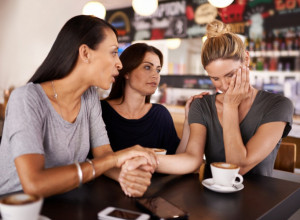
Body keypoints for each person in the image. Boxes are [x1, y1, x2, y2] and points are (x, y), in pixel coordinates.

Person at [0, 15, 157, 197]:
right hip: (14, 207)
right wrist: (115, 159)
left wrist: (127, 176)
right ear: (85, 53)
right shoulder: (26, 99)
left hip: (61, 202)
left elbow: (103, 155)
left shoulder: (89, 97)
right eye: (114, 52)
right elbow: (35, 184)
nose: (119, 63)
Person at [123, 19, 294, 178]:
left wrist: (230, 107)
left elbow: (238, 167)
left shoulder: (278, 105)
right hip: (209, 200)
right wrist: (143, 160)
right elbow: (191, 158)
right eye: (215, 78)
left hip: (260, 203)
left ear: (246, 59)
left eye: (230, 75)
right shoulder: (202, 105)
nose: (224, 86)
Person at [101, 43, 208, 197]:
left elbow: (179, 157)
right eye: (147, 67)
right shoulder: (101, 111)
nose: (155, 75)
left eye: (158, 70)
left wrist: (188, 121)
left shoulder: (160, 114)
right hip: (106, 196)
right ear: (127, 72)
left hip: (150, 196)